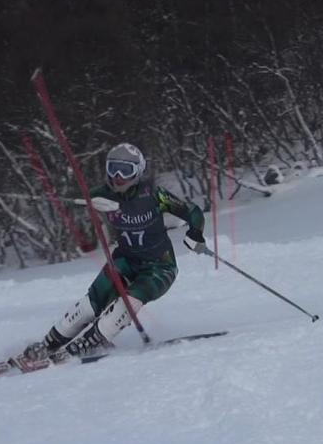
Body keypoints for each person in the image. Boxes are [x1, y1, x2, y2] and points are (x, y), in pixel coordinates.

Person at [15, 142, 208, 369]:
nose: (118, 176)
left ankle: (92, 342)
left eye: (125, 170)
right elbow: (71, 201)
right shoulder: (103, 195)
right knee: (90, 303)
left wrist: (196, 234)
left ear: (138, 171)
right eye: (113, 168)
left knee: (127, 303)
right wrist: (82, 202)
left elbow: (192, 212)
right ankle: (49, 344)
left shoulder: (154, 195)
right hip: (125, 260)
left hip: (159, 267)